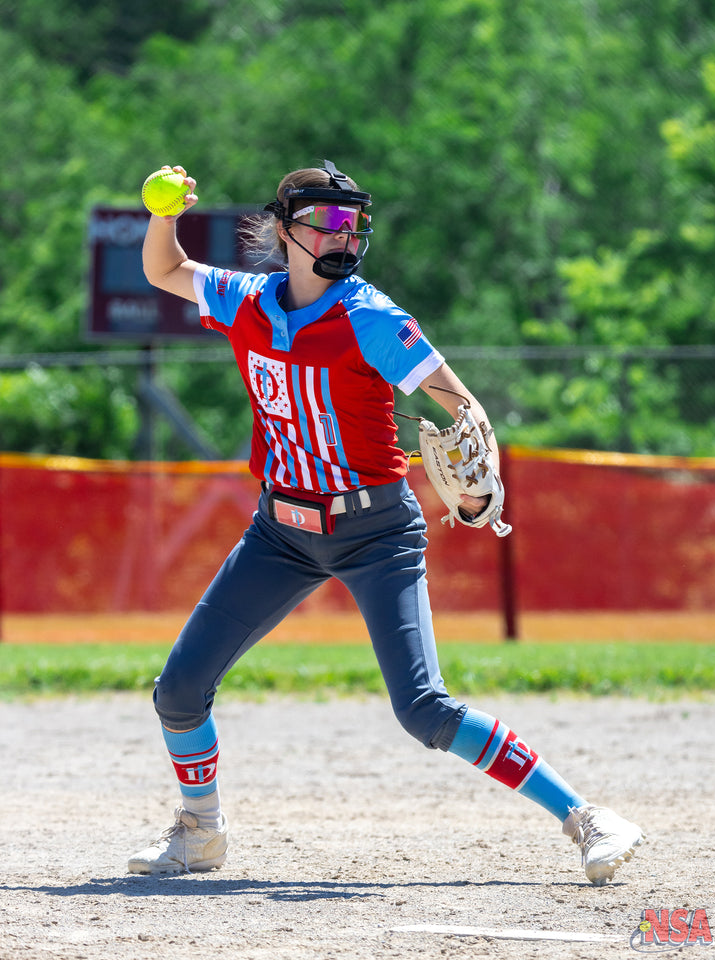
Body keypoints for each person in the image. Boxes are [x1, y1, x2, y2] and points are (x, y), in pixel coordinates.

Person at [128, 160, 644, 885]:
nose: (342, 234)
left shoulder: (371, 316)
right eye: (324, 221)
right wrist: (160, 214)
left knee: (423, 709)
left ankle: (586, 818)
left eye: (352, 223)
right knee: (178, 690)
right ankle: (199, 831)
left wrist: (475, 484)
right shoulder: (245, 300)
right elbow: (166, 270)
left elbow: (465, 409)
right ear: (283, 229)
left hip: (374, 533)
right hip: (281, 532)